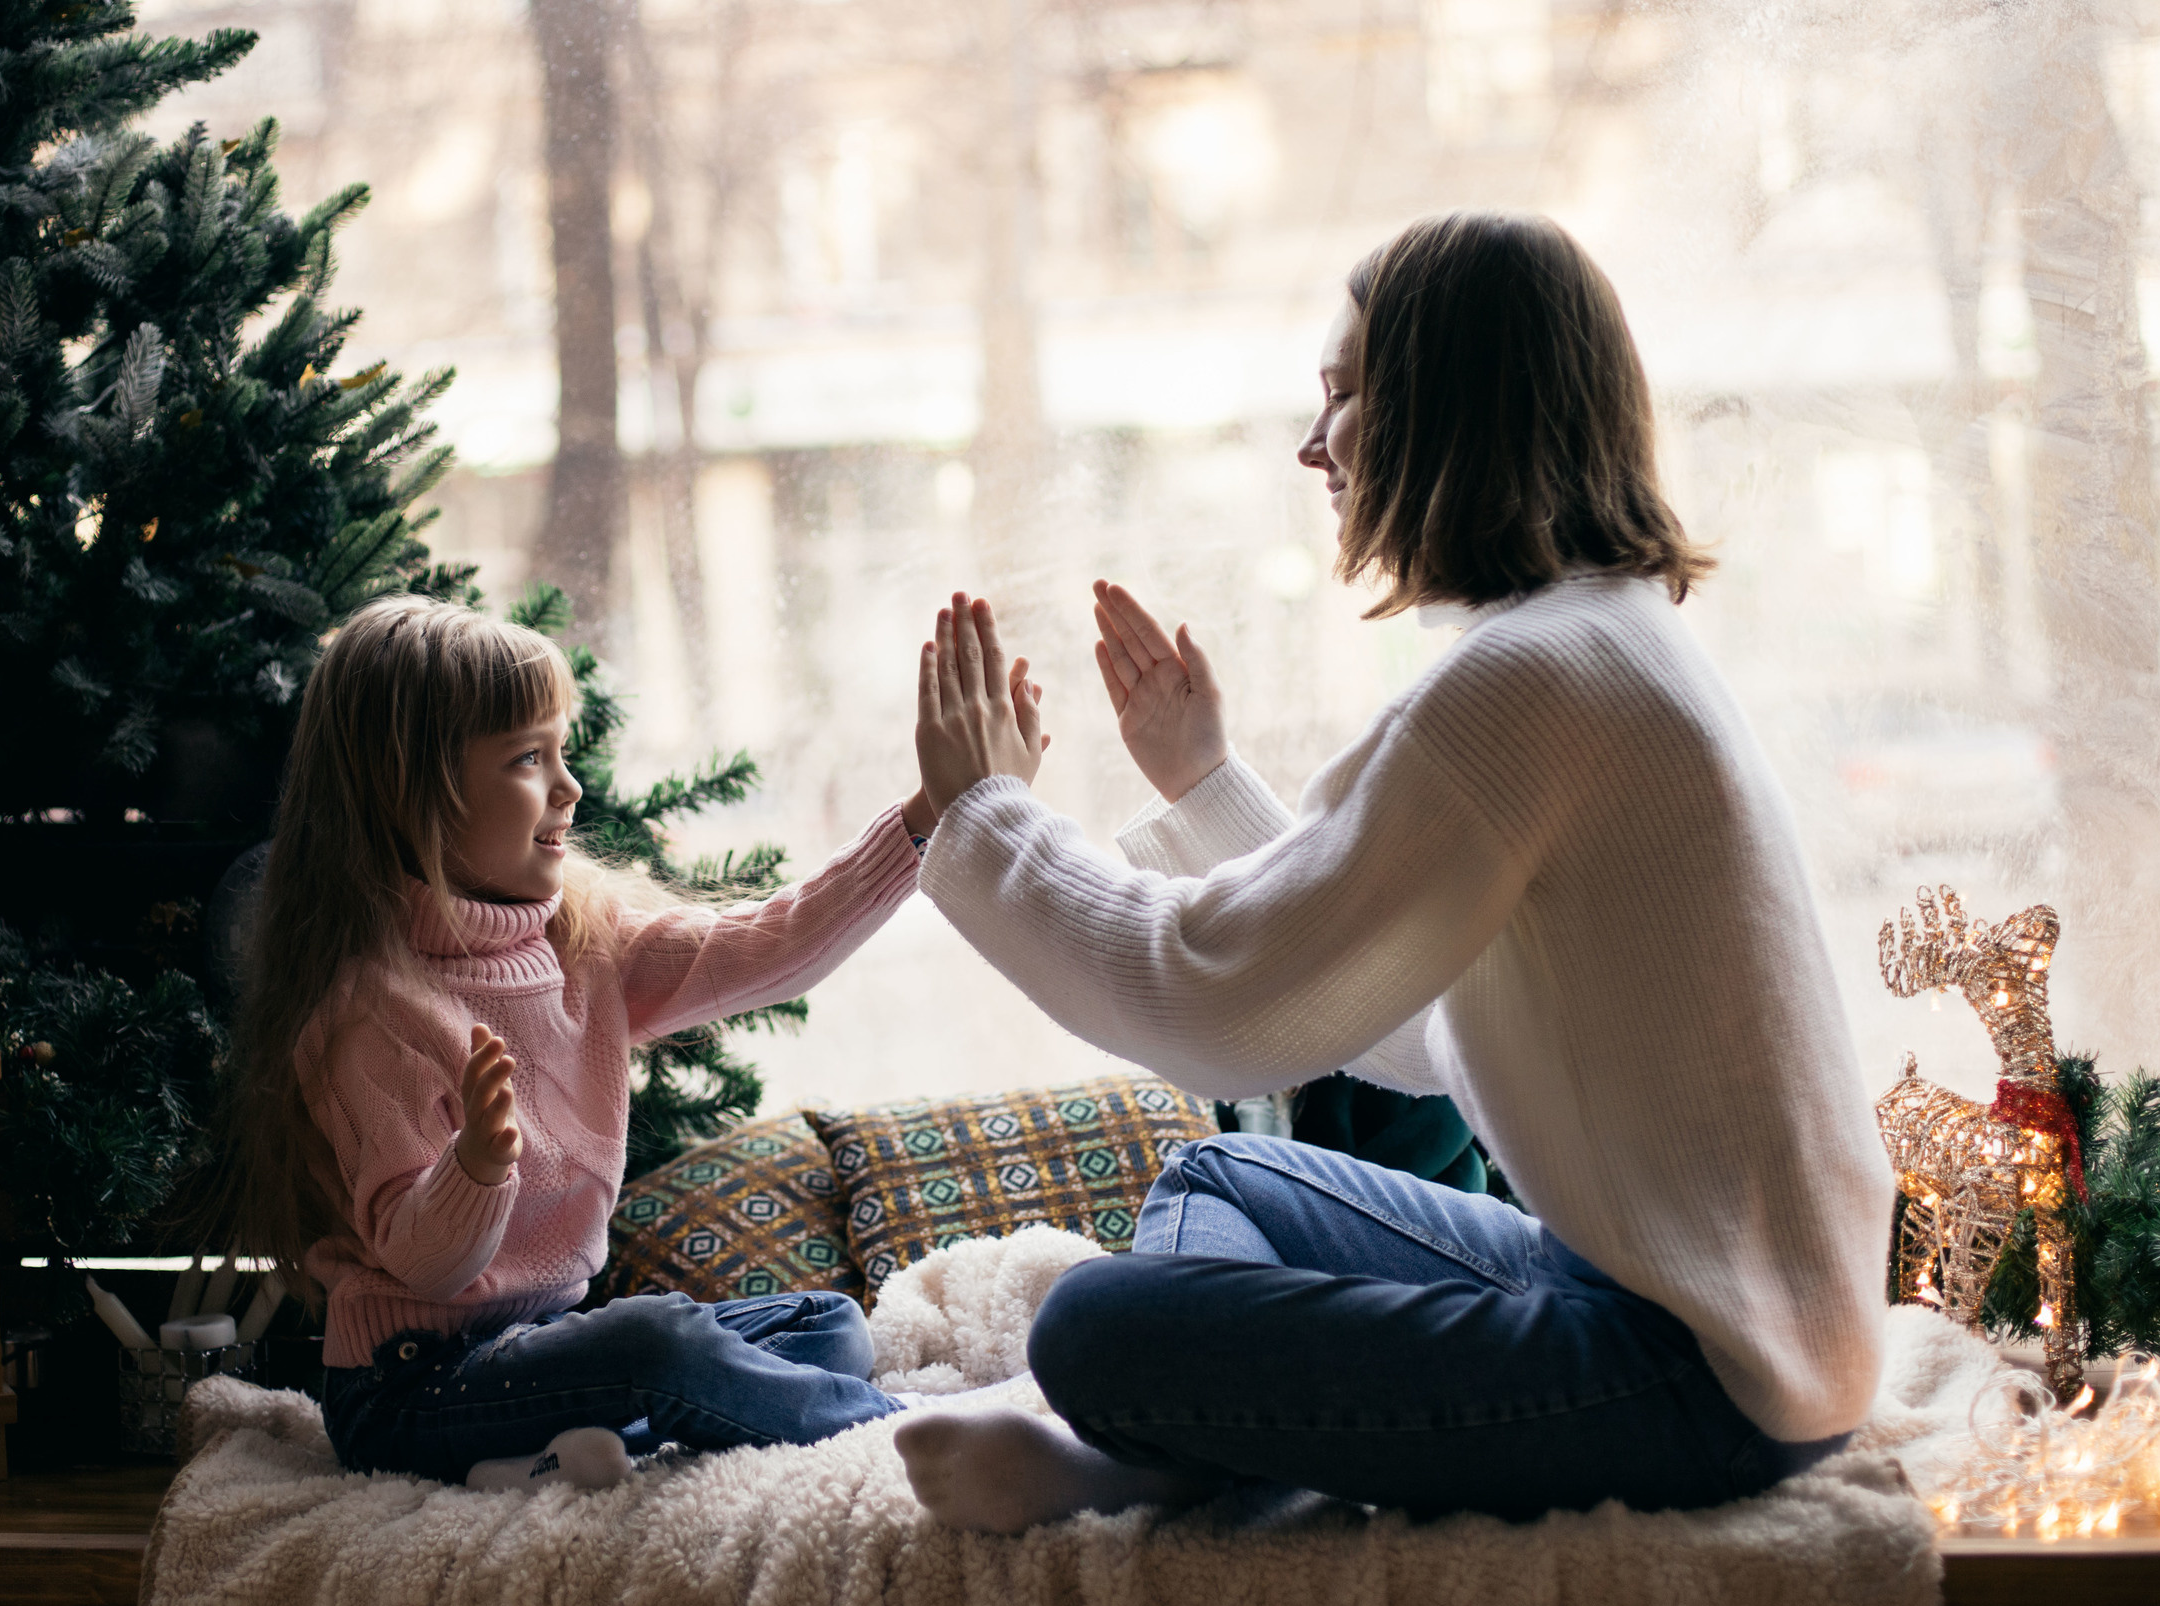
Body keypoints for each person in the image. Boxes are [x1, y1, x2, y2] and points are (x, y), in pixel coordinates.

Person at [894, 210, 1896, 1532]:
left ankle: (1164, 1449)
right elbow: (1425, 1028)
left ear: (1448, 404)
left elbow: (1220, 1006)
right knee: (1212, 1184)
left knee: (1094, 1326)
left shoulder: (1533, 679)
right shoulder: (1596, 640)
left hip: (1703, 1383)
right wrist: (1203, 790)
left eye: (1343, 395)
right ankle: (1184, 1449)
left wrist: (985, 819)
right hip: (1704, 1323)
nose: (1315, 444)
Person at [214, 595, 938, 1493]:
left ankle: (557, 1454)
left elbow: (766, 948)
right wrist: (476, 1169)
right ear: (413, 794)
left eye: (563, 751)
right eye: (527, 758)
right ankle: (914, 1434)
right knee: (659, 1346)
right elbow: (425, 1263)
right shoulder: (372, 1012)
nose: (570, 788)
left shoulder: (579, 942)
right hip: (411, 1388)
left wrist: (925, 816)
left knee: (828, 1325)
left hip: (536, 1354)